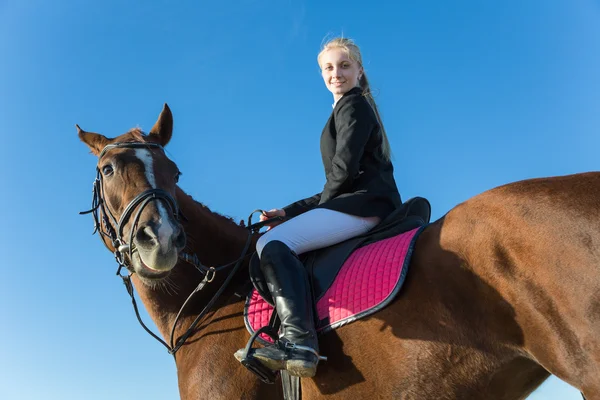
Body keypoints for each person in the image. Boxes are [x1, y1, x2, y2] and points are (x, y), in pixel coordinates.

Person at [235, 37, 402, 378]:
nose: (336, 73)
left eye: (344, 65)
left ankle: (299, 341)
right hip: (358, 201)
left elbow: (341, 174)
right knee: (278, 235)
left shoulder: (353, 105)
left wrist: (301, 215)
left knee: (271, 244)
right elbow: (337, 181)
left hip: (365, 206)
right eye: (328, 67)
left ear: (359, 70)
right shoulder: (346, 108)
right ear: (321, 74)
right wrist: (289, 212)